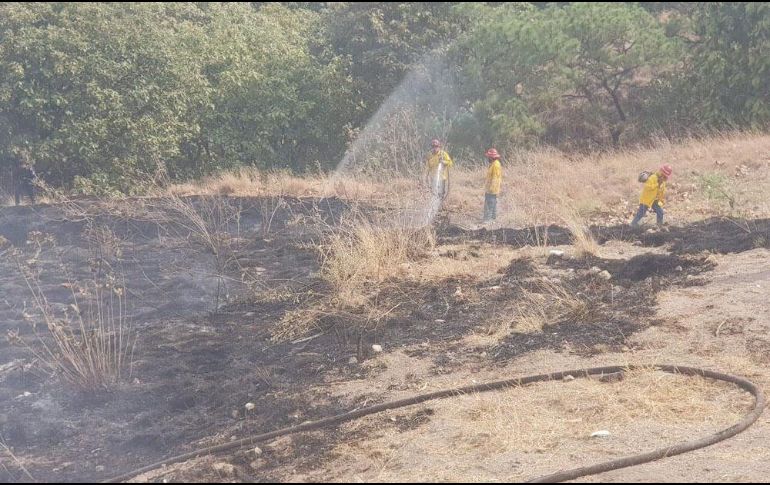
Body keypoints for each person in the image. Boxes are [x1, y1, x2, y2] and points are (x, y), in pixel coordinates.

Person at [483, 148, 502, 222]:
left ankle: (487, 220)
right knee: (492, 204)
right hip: (491, 188)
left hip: (492, 189)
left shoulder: (496, 165)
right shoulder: (493, 164)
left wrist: (491, 189)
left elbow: (495, 178)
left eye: (488, 157)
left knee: (489, 204)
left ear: (492, 157)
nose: (488, 158)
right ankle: (493, 219)